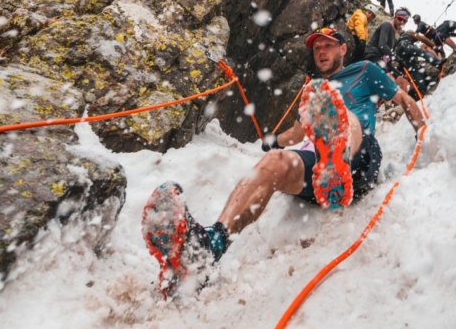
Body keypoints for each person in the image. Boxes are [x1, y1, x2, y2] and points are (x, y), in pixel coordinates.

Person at [140, 27, 426, 297]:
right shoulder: (314, 95)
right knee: (273, 162)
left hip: (360, 155)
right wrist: (272, 142)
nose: (322, 52)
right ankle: (210, 246)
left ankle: (337, 155)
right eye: (317, 49)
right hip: (316, 167)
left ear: (342, 48)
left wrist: (426, 133)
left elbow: (403, 99)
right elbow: (297, 134)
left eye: (328, 46)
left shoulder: (365, 71)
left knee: (345, 118)